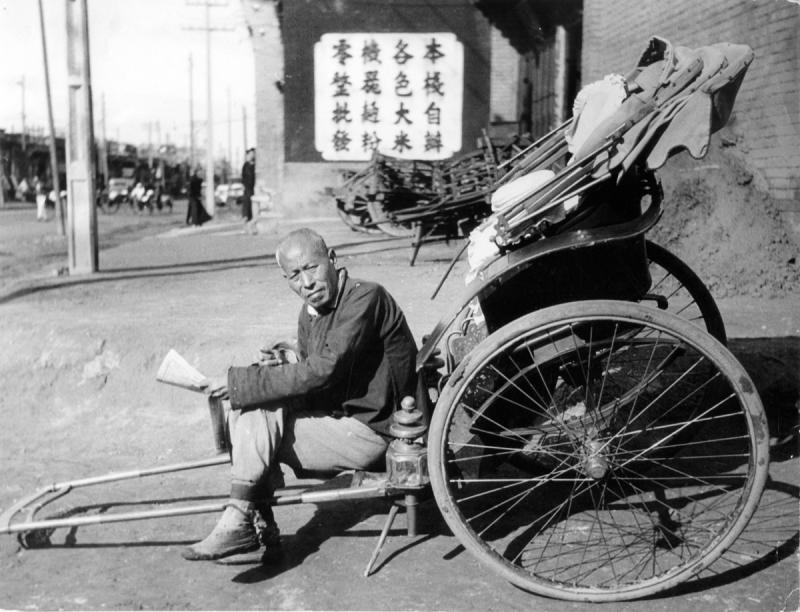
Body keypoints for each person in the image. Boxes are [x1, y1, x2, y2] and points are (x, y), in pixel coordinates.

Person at [182, 228, 418, 561]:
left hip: (376, 432)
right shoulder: (313, 312)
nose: (306, 283)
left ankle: (244, 520)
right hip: (342, 421)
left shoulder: (365, 298)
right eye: (294, 275)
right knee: (254, 406)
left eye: (312, 268)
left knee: (252, 407)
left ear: (332, 259)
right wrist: (283, 361)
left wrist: (242, 384)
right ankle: (248, 521)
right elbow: (316, 371)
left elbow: (323, 370)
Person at [241, 148, 255, 223]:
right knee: (246, 201)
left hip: (253, 186)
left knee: (252, 201)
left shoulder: (255, 165)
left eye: (252, 154)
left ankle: (251, 217)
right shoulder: (245, 165)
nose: (251, 156)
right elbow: (243, 176)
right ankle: (246, 216)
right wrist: (243, 185)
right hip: (247, 187)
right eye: (249, 154)